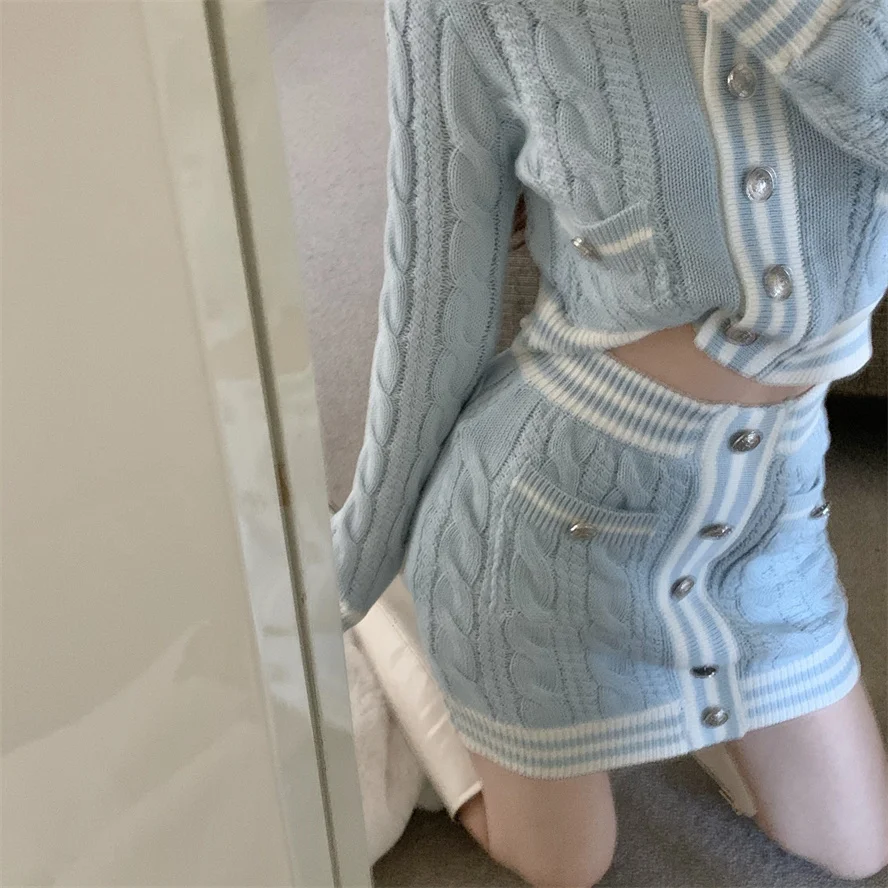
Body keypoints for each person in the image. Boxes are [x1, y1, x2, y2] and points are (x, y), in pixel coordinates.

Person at [330, 0, 888, 883]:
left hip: (769, 519)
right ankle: (414, 642)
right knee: (565, 866)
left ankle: (687, 699)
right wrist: (344, 577)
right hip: (545, 527)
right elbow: (434, 307)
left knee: (858, 850)